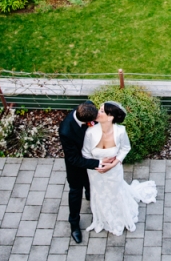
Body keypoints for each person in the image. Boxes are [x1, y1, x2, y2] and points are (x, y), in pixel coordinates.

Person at [82, 101, 157, 235]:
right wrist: (98, 163)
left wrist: (115, 162)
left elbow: (125, 148)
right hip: (95, 173)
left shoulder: (120, 132)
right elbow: (85, 154)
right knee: (99, 194)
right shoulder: (90, 132)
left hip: (114, 172)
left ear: (111, 117)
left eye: (102, 111)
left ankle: (118, 218)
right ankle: (103, 217)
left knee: (115, 193)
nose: (97, 112)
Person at [58, 101, 115, 244]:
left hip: (92, 154)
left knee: (92, 183)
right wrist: (98, 163)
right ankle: (74, 224)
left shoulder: (87, 106)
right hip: (77, 164)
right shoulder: (66, 131)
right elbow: (73, 159)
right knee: (75, 192)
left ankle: (89, 194)